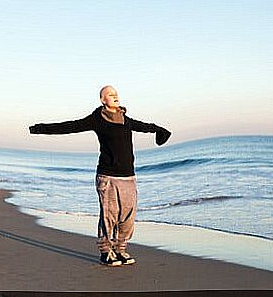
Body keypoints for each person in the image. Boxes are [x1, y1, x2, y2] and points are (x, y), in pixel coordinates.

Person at [29, 85, 171, 267]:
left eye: (116, 93)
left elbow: (146, 126)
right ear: (103, 100)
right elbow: (70, 126)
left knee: (128, 216)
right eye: (110, 94)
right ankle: (106, 252)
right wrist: (39, 129)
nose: (115, 96)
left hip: (128, 177)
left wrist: (160, 131)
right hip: (108, 176)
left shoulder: (125, 120)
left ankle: (120, 249)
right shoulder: (97, 119)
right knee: (109, 216)